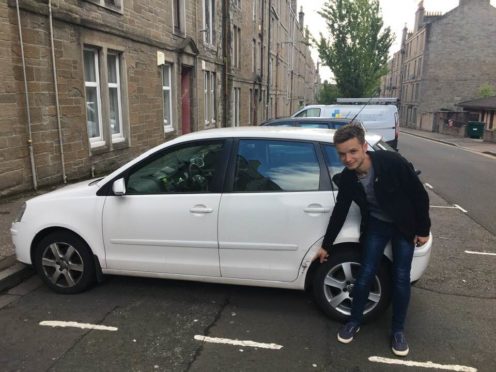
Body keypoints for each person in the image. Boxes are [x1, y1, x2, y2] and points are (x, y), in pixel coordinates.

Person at [314, 124, 430, 357]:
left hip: (402, 226)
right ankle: (354, 321)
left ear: (364, 147)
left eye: (353, 151)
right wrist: (326, 245)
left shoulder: (391, 162)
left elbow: (419, 194)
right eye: (342, 154)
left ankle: (397, 331)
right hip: (376, 225)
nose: (347, 158)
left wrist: (422, 229)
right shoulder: (347, 179)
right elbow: (340, 210)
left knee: (400, 277)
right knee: (366, 273)